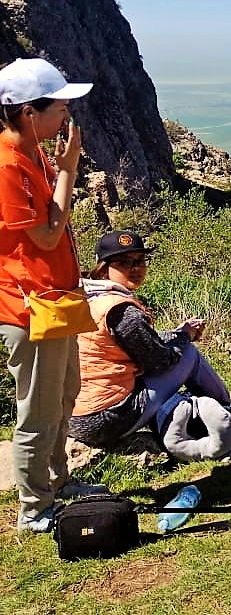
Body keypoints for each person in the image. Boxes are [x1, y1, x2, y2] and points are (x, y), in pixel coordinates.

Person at [0, 58, 105, 532]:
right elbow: (45, 234)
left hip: (53, 300)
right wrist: (69, 171)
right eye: (60, 106)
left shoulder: (31, 152)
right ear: (27, 111)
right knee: (37, 412)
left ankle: (59, 483)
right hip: (28, 308)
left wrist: (59, 168)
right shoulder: (7, 164)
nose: (65, 114)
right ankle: (34, 508)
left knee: (63, 396)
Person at [68, 231, 231, 459]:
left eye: (139, 261)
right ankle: (230, 413)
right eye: (124, 262)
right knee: (188, 353)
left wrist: (178, 333)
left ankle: (192, 418)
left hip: (74, 414)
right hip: (106, 419)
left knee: (180, 348)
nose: (135, 268)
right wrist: (185, 338)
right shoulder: (122, 311)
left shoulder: (86, 297)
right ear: (104, 267)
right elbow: (158, 362)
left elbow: (137, 344)